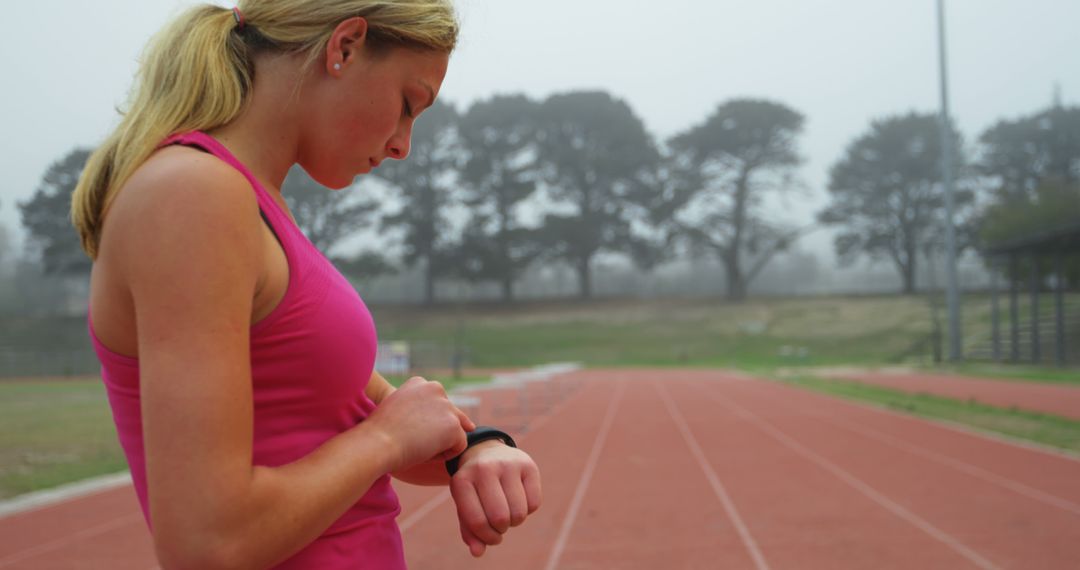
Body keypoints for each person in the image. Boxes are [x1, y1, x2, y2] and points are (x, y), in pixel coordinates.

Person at [70, 2, 542, 568]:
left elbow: (383, 420)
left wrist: (477, 448)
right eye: (407, 104)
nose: (402, 145)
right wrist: (385, 442)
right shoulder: (193, 194)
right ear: (344, 46)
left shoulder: (256, 209)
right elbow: (207, 543)